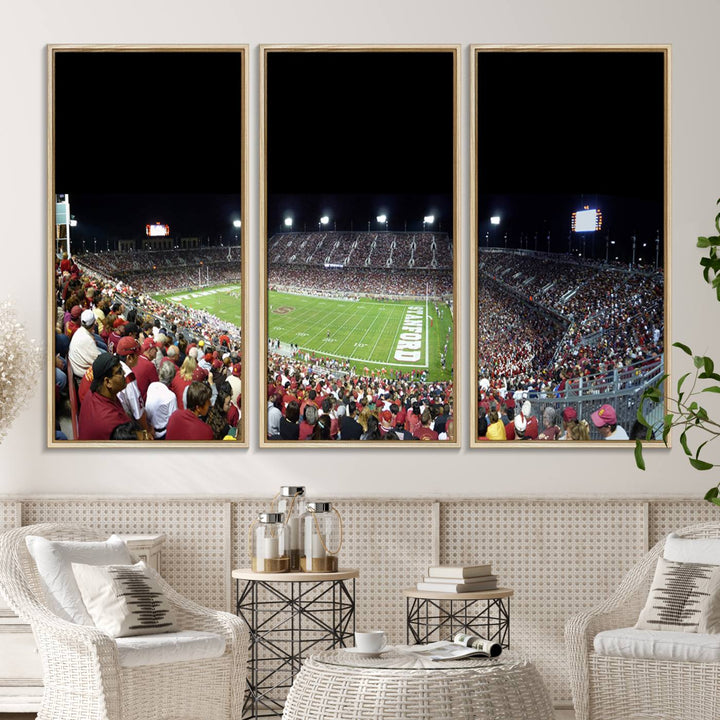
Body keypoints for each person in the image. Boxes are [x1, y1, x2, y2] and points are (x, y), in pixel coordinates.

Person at [77, 354, 132, 440]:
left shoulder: (92, 393)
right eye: (119, 372)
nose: (124, 373)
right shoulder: (113, 422)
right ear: (107, 382)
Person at [145, 361, 178, 440]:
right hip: (161, 434)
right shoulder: (171, 396)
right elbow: (173, 420)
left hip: (149, 429)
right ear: (172, 378)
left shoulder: (152, 386)